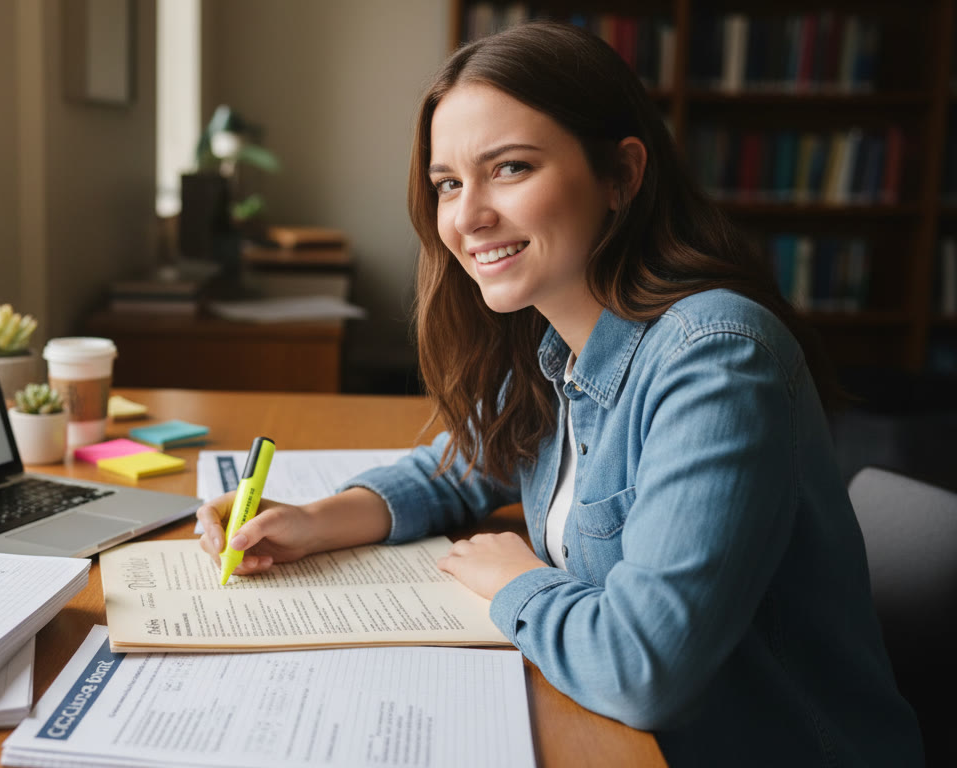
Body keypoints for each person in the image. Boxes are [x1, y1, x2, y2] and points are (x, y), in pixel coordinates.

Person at [195, 19, 924, 768]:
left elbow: (645, 670)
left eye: (509, 168)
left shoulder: (715, 361)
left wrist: (520, 581)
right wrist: (315, 520)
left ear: (621, 175)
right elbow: (459, 466)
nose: (468, 216)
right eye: (448, 183)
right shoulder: (557, 340)